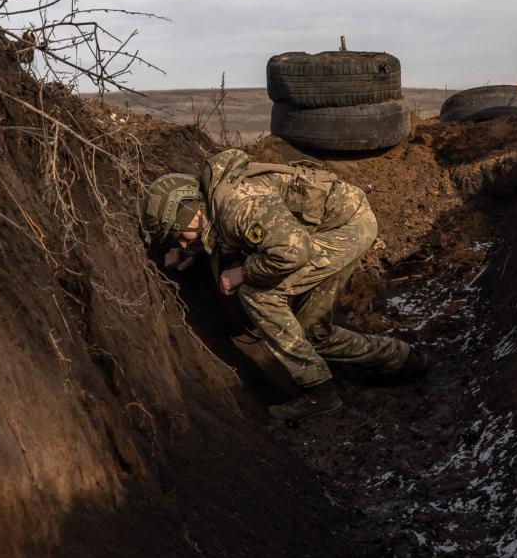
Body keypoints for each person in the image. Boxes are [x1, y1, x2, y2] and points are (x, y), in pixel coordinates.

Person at [143, 149, 426, 423]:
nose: (181, 241)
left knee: (257, 293)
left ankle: (317, 390)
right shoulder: (218, 204)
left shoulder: (237, 205)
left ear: (191, 210)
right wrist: (193, 253)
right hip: (335, 224)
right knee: (312, 333)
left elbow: (291, 252)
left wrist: (244, 272)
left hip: (346, 228)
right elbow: (233, 238)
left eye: (179, 234)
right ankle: (400, 358)